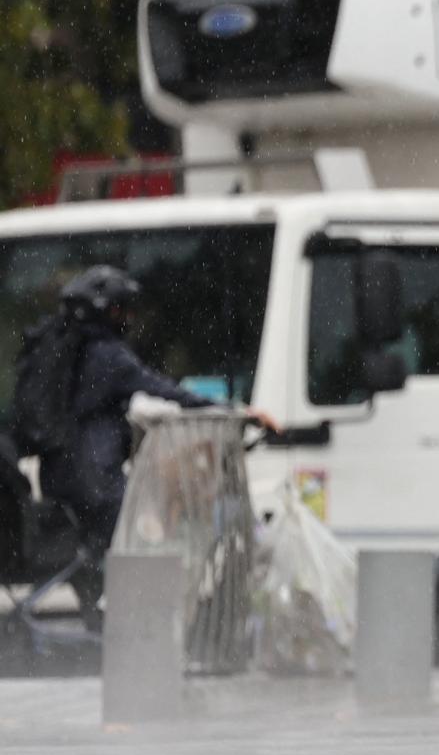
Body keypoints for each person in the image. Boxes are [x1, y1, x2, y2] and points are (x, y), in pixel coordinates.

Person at [21, 265, 276, 624]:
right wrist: (238, 413)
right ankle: (142, 627)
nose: (127, 318)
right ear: (106, 310)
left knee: (106, 547)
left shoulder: (63, 347)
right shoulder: (107, 355)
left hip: (60, 475)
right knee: (143, 540)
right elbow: (166, 391)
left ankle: (105, 613)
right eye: (121, 309)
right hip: (96, 480)